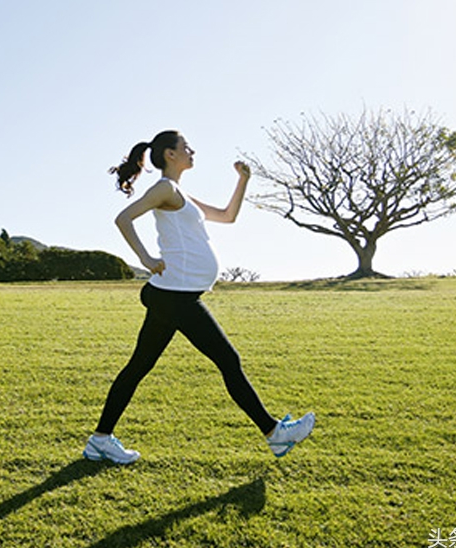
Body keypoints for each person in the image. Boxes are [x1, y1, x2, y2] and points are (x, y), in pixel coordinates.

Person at [83, 130, 315, 464]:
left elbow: (226, 216)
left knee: (138, 367)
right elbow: (123, 219)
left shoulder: (181, 194)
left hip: (173, 295)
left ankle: (100, 440)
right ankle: (274, 433)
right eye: (185, 147)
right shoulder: (164, 188)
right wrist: (146, 259)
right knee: (228, 360)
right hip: (177, 296)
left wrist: (243, 180)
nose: (192, 151)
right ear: (170, 155)